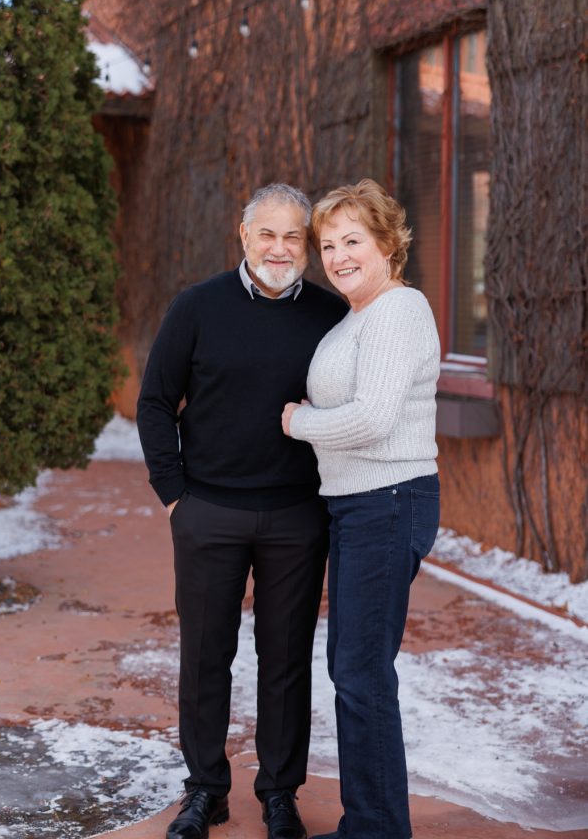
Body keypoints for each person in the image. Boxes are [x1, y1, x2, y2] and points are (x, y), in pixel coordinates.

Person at [137, 183, 347, 839]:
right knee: (204, 655)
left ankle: (279, 794)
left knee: (285, 660)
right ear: (243, 236)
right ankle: (205, 792)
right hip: (208, 511)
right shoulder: (196, 307)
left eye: (293, 237)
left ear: (305, 246)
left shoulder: (329, 315)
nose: (279, 248)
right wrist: (174, 495)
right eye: (268, 234)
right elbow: (153, 402)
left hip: (294, 515)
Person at [282, 179, 441, 839]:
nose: (339, 256)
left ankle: (375, 830)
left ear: (386, 244)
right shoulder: (355, 316)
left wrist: (298, 423)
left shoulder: (398, 310)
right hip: (357, 505)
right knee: (352, 667)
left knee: (358, 670)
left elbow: (373, 418)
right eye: (327, 245)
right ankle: (371, 823)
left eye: (353, 241)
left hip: (388, 498)